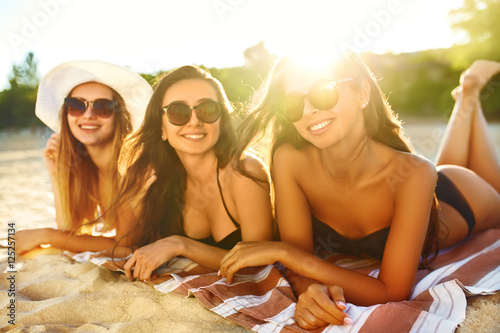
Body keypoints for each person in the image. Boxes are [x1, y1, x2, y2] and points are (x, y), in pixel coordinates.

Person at [218, 53, 500, 328]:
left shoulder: (414, 173)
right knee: (442, 165)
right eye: (292, 103)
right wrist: (310, 290)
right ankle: (466, 94)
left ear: (362, 92)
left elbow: (392, 291)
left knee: (458, 173)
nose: (307, 111)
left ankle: (470, 91)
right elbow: (300, 268)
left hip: (463, 198)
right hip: (423, 185)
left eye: (323, 92)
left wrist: (284, 253)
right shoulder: (289, 159)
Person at [116, 65, 274, 281]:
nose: (194, 121)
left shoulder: (244, 172)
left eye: (207, 109)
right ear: (161, 128)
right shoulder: (162, 181)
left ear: (221, 120)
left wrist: (180, 245)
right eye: (177, 111)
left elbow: (259, 265)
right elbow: (129, 241)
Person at [16, 60, 153, 255]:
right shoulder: (86, 167)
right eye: (76, 105)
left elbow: (127, 246)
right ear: (66, 114)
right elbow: (70, 229)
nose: (88, 114)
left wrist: (46, 235)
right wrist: (56, 174)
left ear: (119, 115)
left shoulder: (131, 163)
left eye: (102, 106)